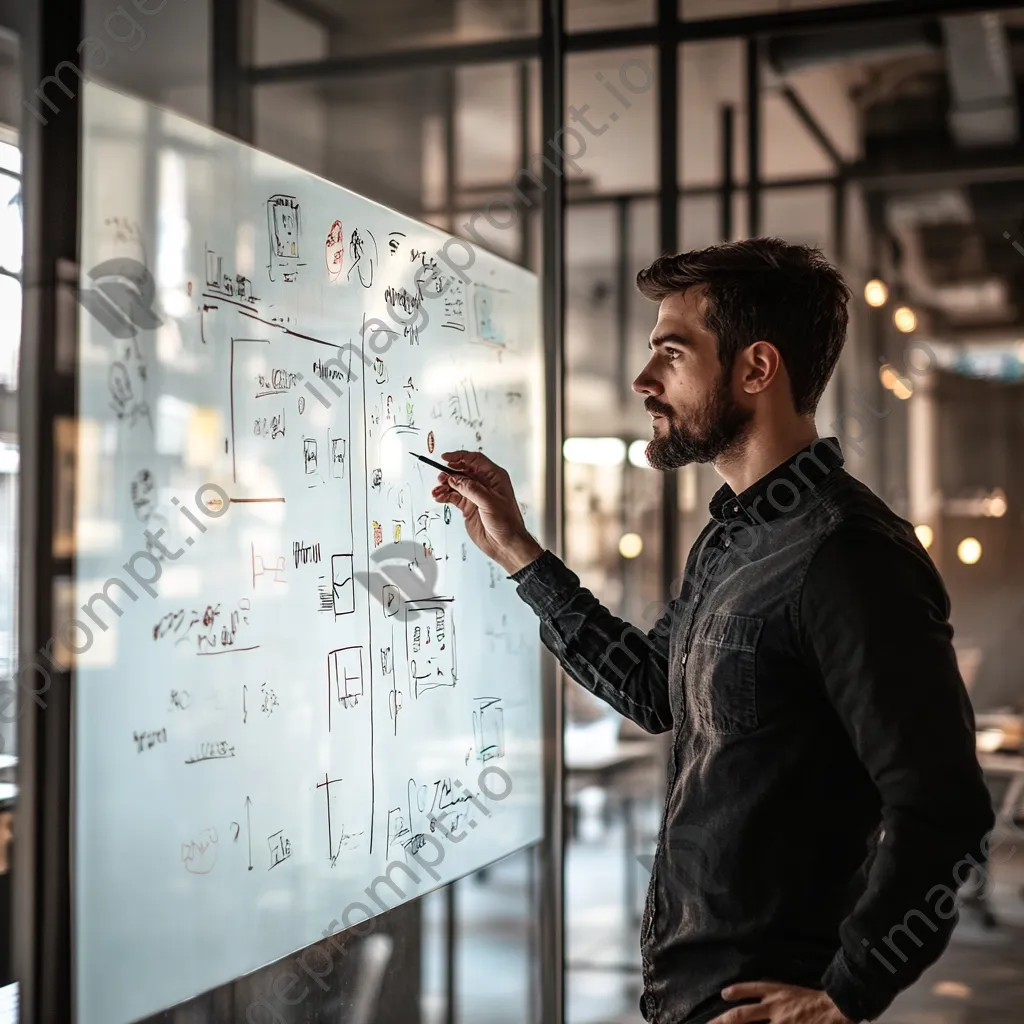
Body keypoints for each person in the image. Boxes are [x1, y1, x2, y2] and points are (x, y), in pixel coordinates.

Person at [430, 238, 995, 1024]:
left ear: (756, 369)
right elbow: (653, 690)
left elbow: (943, 807)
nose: (643, 381)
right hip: (687, 996)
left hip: (763, 1000)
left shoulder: (849, 555)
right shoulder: (732, 537)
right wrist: (521, 555)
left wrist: (847, 993)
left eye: (671, 352)